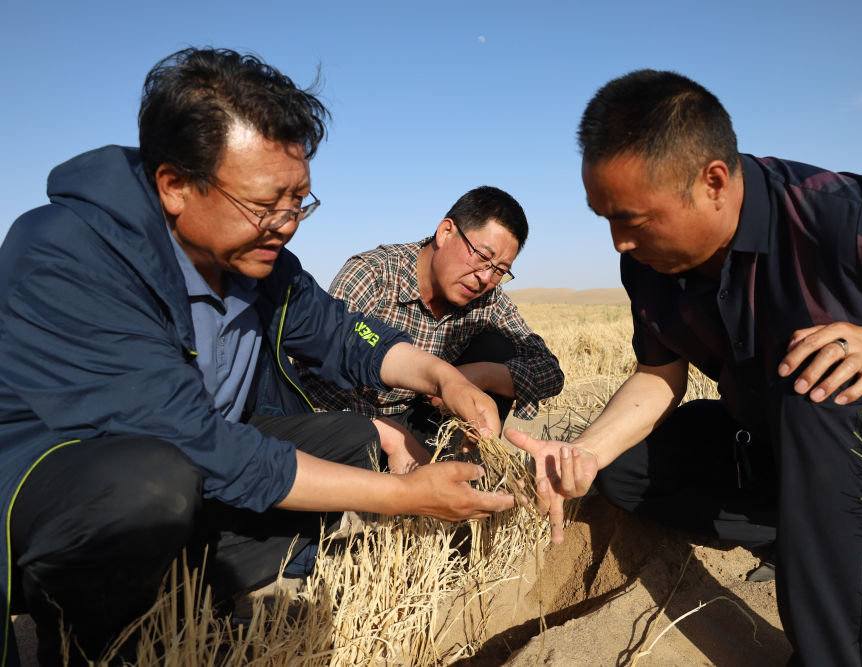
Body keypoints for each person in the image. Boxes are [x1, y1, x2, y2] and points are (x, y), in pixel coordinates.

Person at [0, 48, 514, 667]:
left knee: (353, 438)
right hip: (58, 484)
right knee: (149, 484)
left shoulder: (262, 265)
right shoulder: (69, 256)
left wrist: (443, 378)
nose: (287, 224)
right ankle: (98, 644)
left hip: (198, 458)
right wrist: (405, 497)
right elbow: (193, 443)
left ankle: (215, 591)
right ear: (176, 186)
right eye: (267, 205)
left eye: (299, 202)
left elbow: (349, 337)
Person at [506, 69, 862, 666]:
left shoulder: (840, 214)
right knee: (626, 470)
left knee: (817, 391)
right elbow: (660, 374)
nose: (617, 242)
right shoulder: (647, 263)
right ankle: (817, 538)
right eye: (603, 218)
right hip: (776, 441)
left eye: (631, 218)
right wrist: (587, 450)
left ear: (713, 181)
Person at [298, 186, 564, 470]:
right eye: (482, 257)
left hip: (426, 421)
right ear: (446, 232)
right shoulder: (374, 274)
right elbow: (317, 379)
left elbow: (550, 372)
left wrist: (475, 376)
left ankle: (462, 473)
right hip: (360, 422)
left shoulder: (488, 298)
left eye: (500, 270)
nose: (485, 277)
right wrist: (388, 435)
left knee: (498, 349)